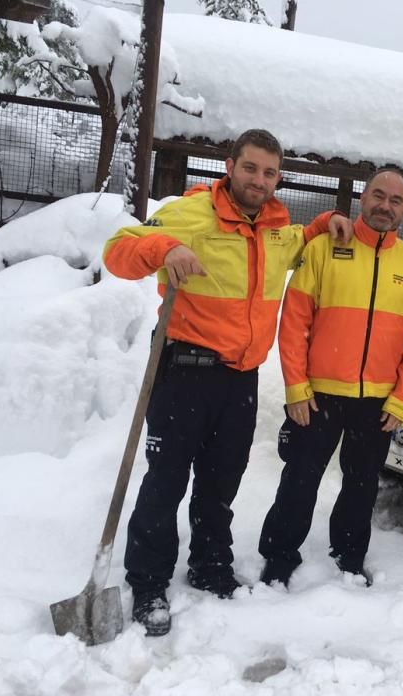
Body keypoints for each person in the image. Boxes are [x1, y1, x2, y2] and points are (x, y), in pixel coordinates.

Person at [103, 128, 348, 636]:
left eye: (270, 172)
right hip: (184, 373)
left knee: (221, 481)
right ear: (230, 166)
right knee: (166, 480)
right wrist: (164, 248)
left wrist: (326, 221)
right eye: (251, 168)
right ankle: (148, 580)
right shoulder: (192, 213)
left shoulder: (279, 228)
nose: (259, 180)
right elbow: (118, 249)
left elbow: (301, 243)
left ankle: (210, 564)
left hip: (240, 380)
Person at [258, 168, 403, 588]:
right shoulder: (323, 249)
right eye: (378, 195)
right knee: (299, 481)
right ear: (362, 197)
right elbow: (294, 324)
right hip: (318, 396)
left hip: (378, 402)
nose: (385, 206)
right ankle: (279, 556)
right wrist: (297, 388)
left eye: (396, 201)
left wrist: (402, 399)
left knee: (361, 486)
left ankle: (349, 557)